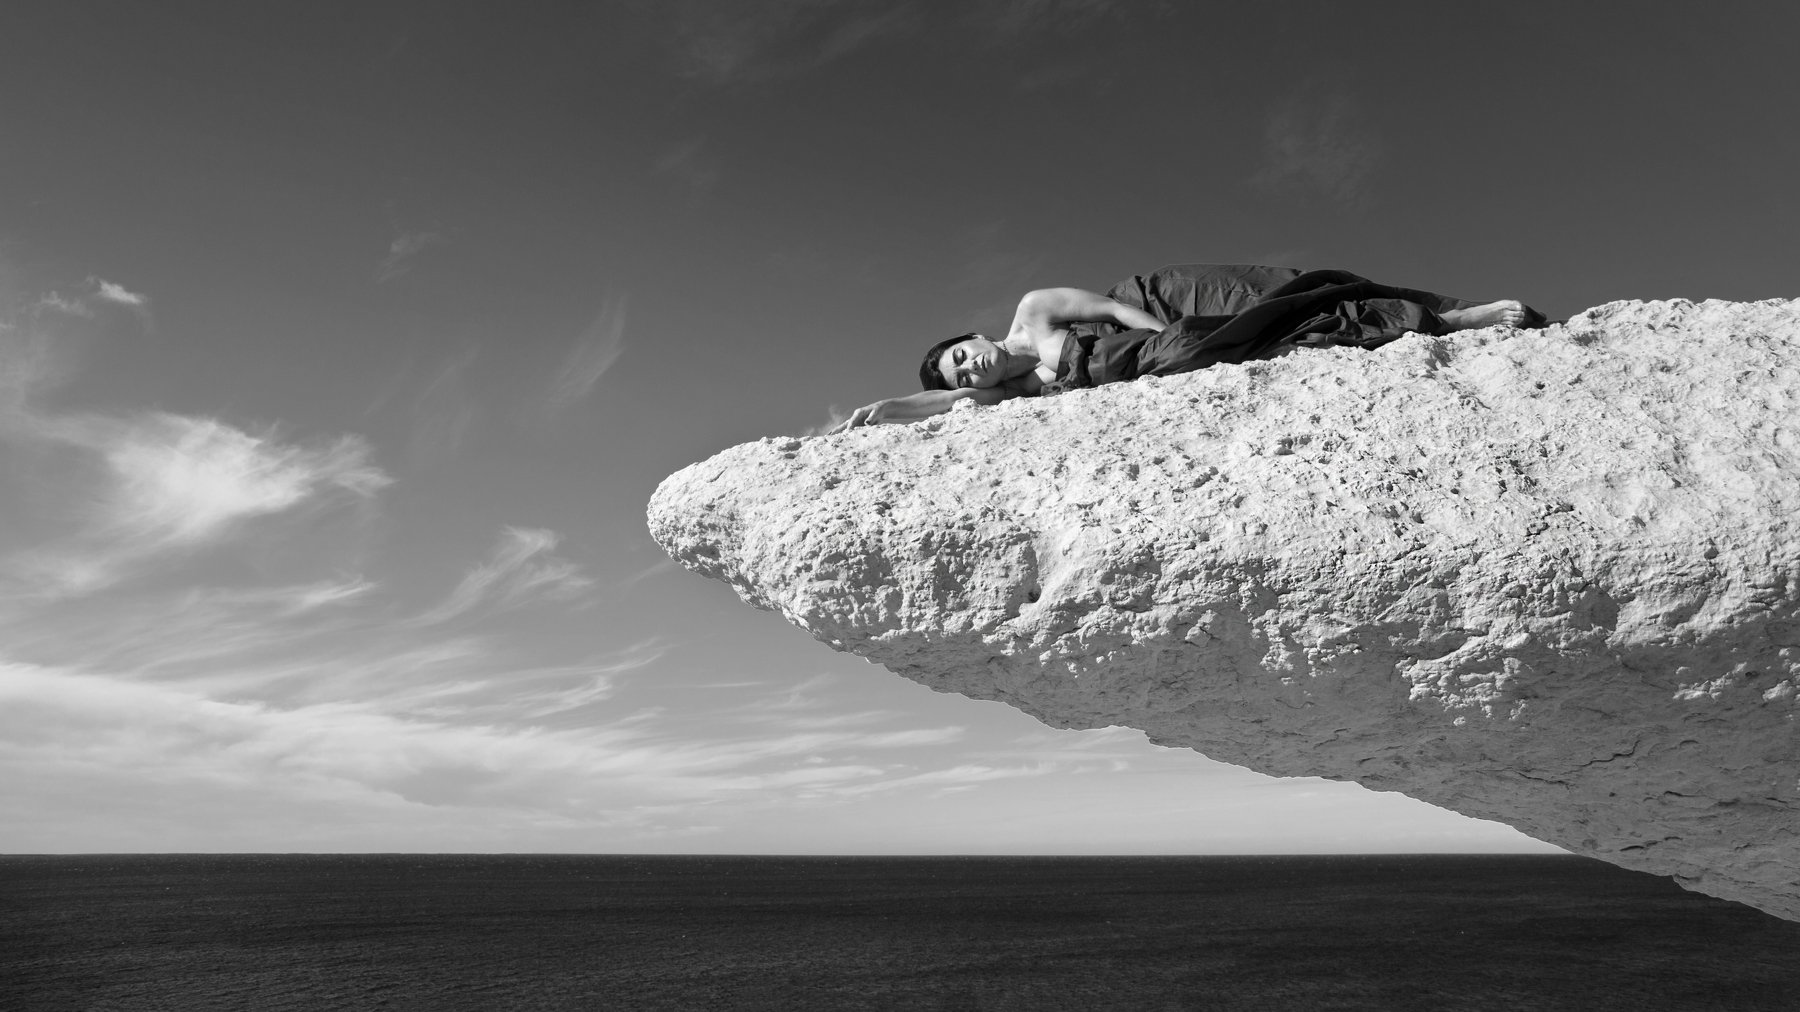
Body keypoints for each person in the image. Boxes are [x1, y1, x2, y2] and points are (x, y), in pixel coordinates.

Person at [832, 263, 1545, 431]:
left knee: (1284, 295)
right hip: (1158, 356)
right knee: (1301, 333)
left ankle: (1452, 315)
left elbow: (1114, 311)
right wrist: (889, 407)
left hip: (1161, 307)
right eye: (961, 374)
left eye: (961, 354)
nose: (969, 368)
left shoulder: (1033, 311)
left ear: (974, 337)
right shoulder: (1011, 394)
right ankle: (1448, 325)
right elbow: (943, 406)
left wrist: (1180, 341)